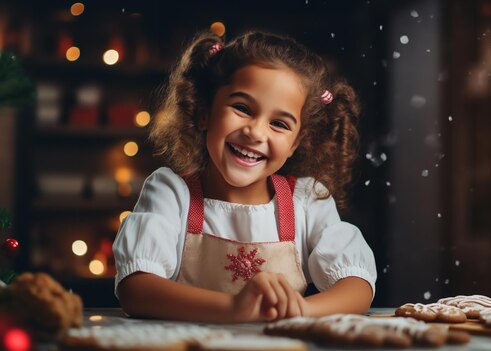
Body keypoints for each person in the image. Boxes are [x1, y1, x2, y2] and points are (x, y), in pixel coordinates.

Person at [113, 30, 377, 323]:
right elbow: (135, 290)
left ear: (295, 143)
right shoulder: (172, 193)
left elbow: (357, 285)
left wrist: (301, 311)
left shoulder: (306, 201)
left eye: (279, 123)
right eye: (241, 108)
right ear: (204, 112)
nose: (255, 132)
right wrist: (234, 308)